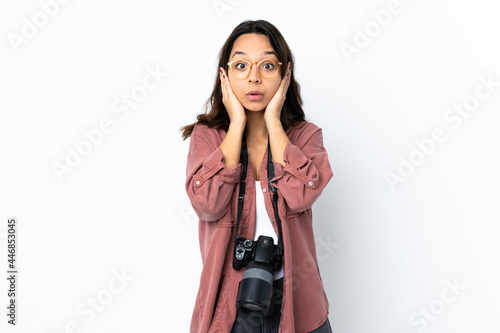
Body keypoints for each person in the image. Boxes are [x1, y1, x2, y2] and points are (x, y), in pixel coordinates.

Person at [180, 19, 334, 333]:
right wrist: (236, 124)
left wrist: (274, 123)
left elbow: (302, 194)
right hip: (230, 304)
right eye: (240, 65)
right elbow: (207, 204)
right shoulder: (207, 137)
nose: (253, 77)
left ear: (284, 73)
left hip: (298, 305)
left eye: (267, 65)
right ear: (224, 75)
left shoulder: (306, 136)